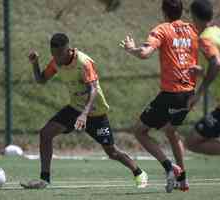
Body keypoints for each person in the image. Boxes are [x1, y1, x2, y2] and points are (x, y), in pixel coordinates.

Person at [21, 33, 148, 189]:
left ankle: (139, 172)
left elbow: (93, 89)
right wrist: (35, 63)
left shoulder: (83, 62)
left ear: (68, 49)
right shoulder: (56, 62)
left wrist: (84, 115)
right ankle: (44, 179)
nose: (57, 58)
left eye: (60, 54)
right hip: (75, 108)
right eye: (54, 54)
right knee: (45, 134)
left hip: (95, 112)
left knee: (112, 152)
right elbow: (41, 80)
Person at [120, 0, 200, 193]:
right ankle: (183, 180)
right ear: (181, 11)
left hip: (171, 94)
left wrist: (130, 49)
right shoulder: (193, 29)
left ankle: (169, 167)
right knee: (171, 132)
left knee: (139, 131)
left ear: (164, 12)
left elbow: (146, 53)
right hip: (189, 94)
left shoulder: (162, 29)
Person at [185, 0, 220, 156]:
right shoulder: (219, 33)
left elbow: (217, 63)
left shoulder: (206, 38)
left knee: (192, 141)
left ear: (194, 17)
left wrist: (198, 94)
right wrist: (202, 71)